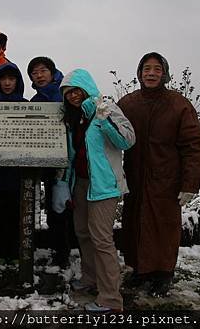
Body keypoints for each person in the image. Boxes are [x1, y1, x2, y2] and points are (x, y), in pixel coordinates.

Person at [118, 52, 200, 297]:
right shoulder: (128, 103)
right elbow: (111, 136)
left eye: (157, 69)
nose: (151, 73)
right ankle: (139, 271)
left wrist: (189, 183)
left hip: (167, 180)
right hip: (135, 178)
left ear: (164, 73)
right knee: (134, 224)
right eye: (147, 69)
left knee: (164, 227)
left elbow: (193, 145)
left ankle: (164, 274)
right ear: (139, 73)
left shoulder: (178, 104)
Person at [59, 68, 135, 313]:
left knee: (102, 240)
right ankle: (91, 278)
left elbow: (127, 140)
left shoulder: (107, 108)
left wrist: (105, 120)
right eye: (68, 92)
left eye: (76, 90)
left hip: (104, 186)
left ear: (87, 87)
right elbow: (74, 154)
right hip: (81, 183)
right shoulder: (75, 117)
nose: (72, 96)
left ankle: (111, 299)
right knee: (83, 233)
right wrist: (64, 183)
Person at [26, 56, 72, 268]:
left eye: (43, 70)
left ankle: (70, 250)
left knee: (72, 208)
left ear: (52, 72)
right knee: (55, 209)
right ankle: (60, 253)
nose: (39, 75)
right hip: (50, 164)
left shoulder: (66, 94)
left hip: (74, 162)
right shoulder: (36, 102)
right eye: (34, 73)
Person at [0, 62, 26, 262]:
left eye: (11, 79)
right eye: (3, 79)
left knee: (18, 211)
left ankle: (17, 250)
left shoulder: (27, 104)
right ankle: (1, 251)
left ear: (17, 81)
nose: (7, 83)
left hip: (20, 171)